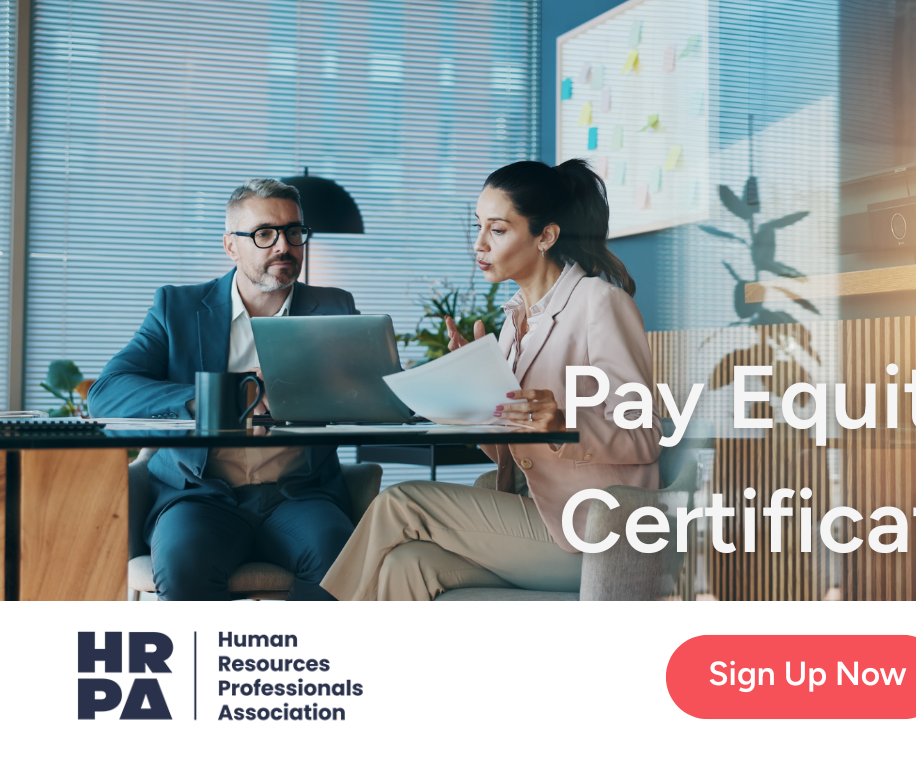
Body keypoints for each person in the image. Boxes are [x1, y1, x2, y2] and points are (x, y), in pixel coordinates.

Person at [320, 159, 662, 600]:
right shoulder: (515, 323)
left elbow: (645, 434)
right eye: (478, 227)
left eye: (497, 230)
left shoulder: (600, 303)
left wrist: (564, 424)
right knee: (408, 564)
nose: (479, 244)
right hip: (536, 512)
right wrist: (472, 387)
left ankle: (314, 617)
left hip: (595, 529)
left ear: (546, 236)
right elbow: (508, 446)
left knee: (401, 502)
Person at [89, 178, 358, 600]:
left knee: (339, 559)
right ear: (231, 245)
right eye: (264, 233)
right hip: (199, 495)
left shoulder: (335, 308)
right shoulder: (177, 308)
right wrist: (217, 399)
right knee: (184, 563)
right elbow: (107, 393)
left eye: (293, 232)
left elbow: (371, 394)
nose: (283, 246)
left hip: (300, 494)